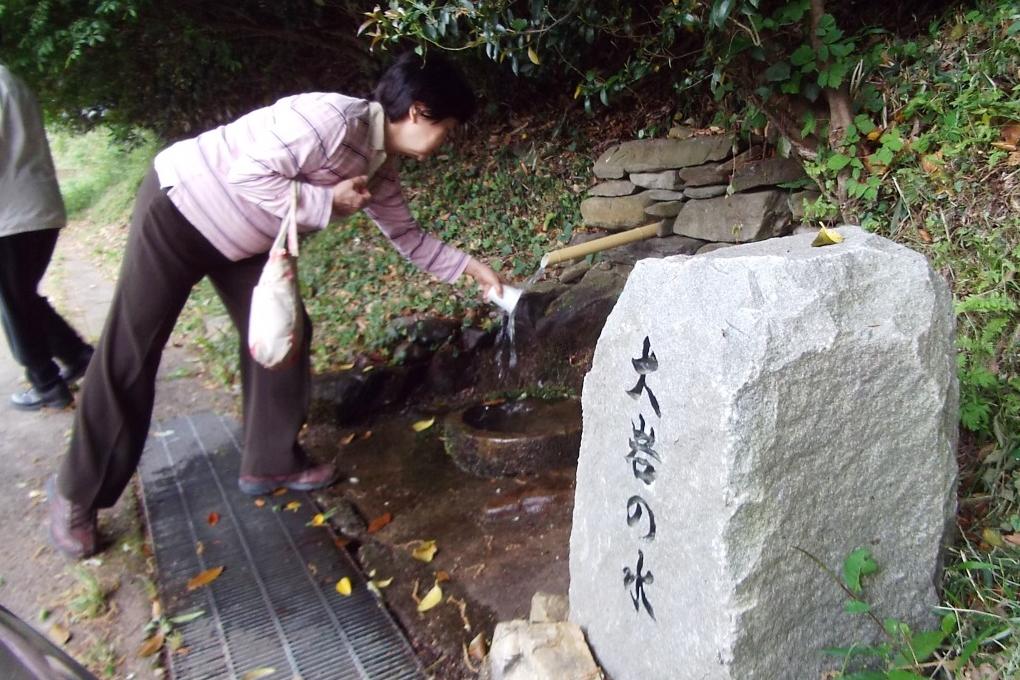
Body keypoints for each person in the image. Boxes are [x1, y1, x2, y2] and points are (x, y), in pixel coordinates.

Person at [47, 53, 503, 558]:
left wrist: (469, 268)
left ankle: (270, 460)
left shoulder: (382, 168)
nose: (447, 141)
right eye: (449, 127)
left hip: (244, 242)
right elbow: (248, 174)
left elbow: (407, 236)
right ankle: (77, 495)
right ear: (419, 111)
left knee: (286, 332)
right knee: (131, 352)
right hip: (181, 210)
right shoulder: (328, 120)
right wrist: (327, 202)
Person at [0, 64, 94, 410]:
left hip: (11, 216)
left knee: (13, 303)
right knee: (22, 297)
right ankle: (79, 355)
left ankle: (46, 384)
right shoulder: (10, 78)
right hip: (33, 208)